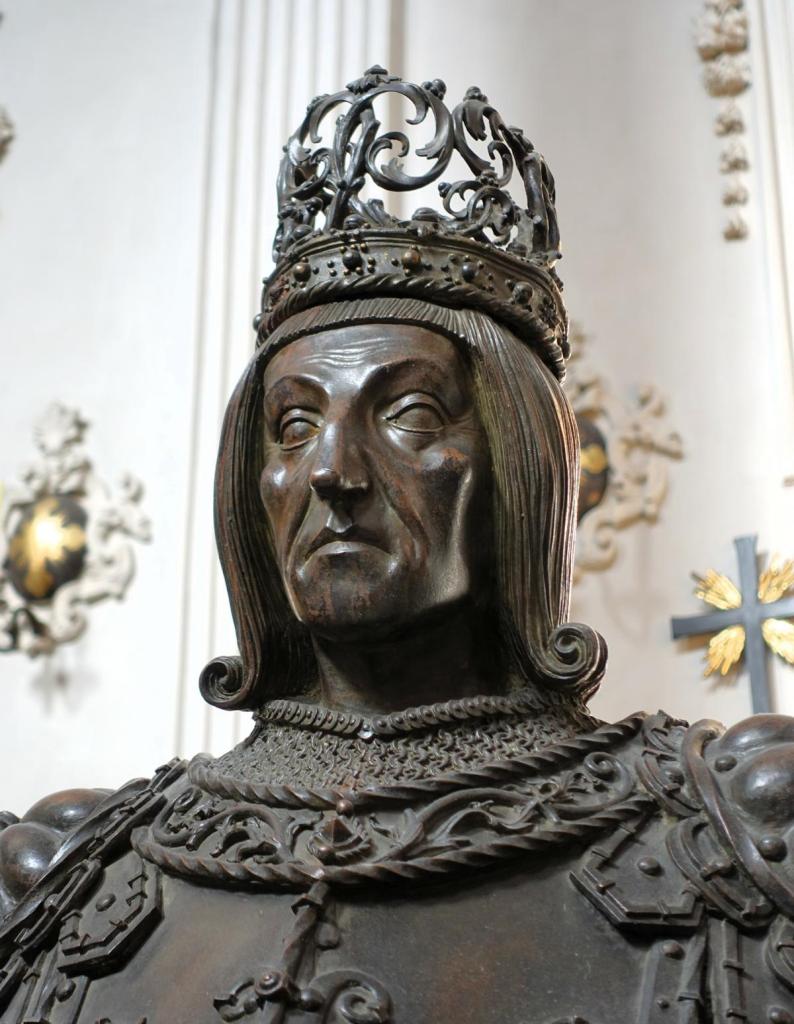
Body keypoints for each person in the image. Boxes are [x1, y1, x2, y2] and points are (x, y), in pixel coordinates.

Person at [2, 67, 794, 1024]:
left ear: (516, 464)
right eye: (293, 427)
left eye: (409, 413)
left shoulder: (742, 836)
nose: (333, 470)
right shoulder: (63, 876)